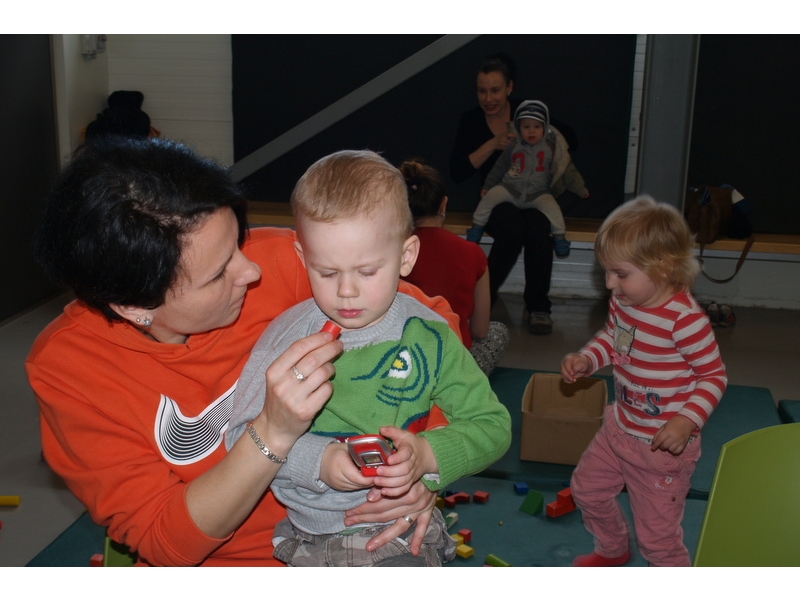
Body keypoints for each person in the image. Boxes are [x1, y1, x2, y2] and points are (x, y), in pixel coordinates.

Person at [25, 137, 460, 566]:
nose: (250, 271)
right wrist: (272, 432)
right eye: (218, 275)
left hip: (357, 535)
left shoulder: (286, 262)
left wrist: (423, 459)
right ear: (135, 306)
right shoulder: (69, 369)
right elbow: (166, 541)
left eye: (237, 242)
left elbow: (431, 321)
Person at [225, 150, 512, 567]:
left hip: (404, 528)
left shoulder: (429, 336)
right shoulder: (287, 338)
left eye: (367, 271)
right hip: (313, 535)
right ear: (303, 259)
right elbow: (239, 437)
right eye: (327, 272)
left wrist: (427, 456)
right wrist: (319, 461)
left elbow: (493, 426)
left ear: (406, 256)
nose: (346, 292)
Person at [560, 196, 727, 567]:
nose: (609, 284)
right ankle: (612, 549)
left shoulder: (685, 321)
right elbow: (614, 339)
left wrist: (686, 421)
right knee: (586, 490)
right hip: (619, 428)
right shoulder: (624, 301)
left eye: (620, 274)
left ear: (663, 268)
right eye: (606, 272)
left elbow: (713, 376)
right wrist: (588, 358)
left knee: (658, 541)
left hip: (661, 451)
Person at [450, 53, 567, 335]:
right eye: (482, 91)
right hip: (496, 197)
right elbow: (458, 171)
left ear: (509, 88)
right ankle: (483, 299)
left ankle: (538, 307)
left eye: (495, 90)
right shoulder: (471, 120)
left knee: (539, 229)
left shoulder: (527, 114)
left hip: (533, 194)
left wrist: (545, 139)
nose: (488, 98)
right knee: (512, 228)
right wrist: (493, 144)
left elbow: (570, 137)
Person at [400, 159, 510, 377]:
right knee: (498, 331)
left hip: (401, 362)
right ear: (443, 204)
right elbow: (480, 330)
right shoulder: (472, 253)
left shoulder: (388, 251)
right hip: (451, 367)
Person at [467, 100, 589, 258]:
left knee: (554, 210)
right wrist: (488, 186)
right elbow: (499, 167)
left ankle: (560, 238)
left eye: (537, 127)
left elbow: (567, 169)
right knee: (489, 198)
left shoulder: (551, 147)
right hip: (510, 188)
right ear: (519, 127)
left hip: (538, 193)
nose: (531, 131)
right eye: (526, 127)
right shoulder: (513, 146)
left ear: (544, 128)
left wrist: (580, 189)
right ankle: (476, 228)